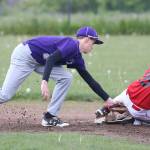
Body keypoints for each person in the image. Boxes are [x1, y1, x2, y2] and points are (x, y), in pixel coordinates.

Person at [0, 26, 113, 127]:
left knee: (66, 77)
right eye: (93, 43)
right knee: (5, 95)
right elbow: (51, 59)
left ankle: (49, 116)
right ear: (87, 39)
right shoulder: (72, 44)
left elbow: (89, 80)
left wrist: (107, 99)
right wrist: (44, 81)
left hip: (40, 61)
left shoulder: (77, 57)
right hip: (25, 55)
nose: (93, 47)